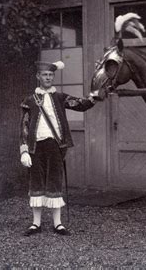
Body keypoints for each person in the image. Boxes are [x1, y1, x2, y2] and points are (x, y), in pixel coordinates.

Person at [19, 61, 97, 236]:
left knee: (55, 181)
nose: (48, 78)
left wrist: (94, 97)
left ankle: (58, 224)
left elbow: (81, 104)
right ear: (38, 77)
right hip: (35, 146)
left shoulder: (60, 97)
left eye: (50, 75)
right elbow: (24, 125)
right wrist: (24, 150)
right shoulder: (29, 100)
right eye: (45, 75)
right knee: (36, 183)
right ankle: (35, 223)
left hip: (55, 145)